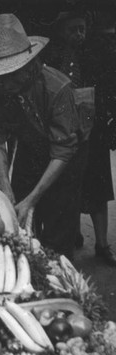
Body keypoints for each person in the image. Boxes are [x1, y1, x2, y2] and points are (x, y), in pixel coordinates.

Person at [0, 13, 88, 260]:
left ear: (28, 65)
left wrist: (33, 199)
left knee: (57, 231)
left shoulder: (57, 88)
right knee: (17, 219)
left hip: (64, 161)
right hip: (30, 149)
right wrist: (5, 186)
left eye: (12, 73)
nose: (5, 81)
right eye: (1, 74)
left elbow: (62, 152)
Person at [44, 11, 116, 266]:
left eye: (82, 29)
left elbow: (108, 90)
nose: (78, 34)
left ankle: (102, 244)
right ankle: (72, 234)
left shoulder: (97, 57)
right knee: (68, 185)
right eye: (72, 29)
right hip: (64, 133)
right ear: (61, 31)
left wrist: (110, 125)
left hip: (93, 132)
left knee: (98, 188)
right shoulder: (52, 57)